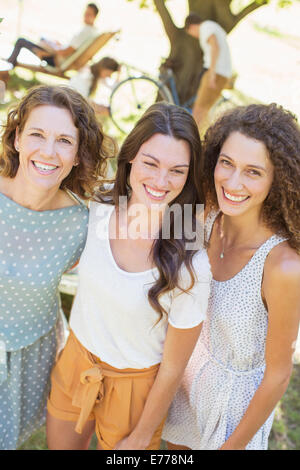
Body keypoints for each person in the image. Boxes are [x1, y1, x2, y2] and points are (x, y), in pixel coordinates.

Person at [46, 102, 212, 450]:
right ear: (131, 157)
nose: (160, 181)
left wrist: (139, 436)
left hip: (135, 389)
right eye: (151, 163)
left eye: (176, 171)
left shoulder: (191, 260)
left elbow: (173, 368)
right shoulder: (98, 210)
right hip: (76, 361)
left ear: (189, 177)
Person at [162, 103, 300, 450]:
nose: (233, 182)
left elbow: (278, 375)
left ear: (277, 179)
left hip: (232, 414)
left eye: (253, 172)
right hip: (180, 386)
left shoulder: (282, 267)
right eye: (227, 163)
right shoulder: (205, 217)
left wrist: (231, 447)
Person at [0, 84, 114, 450]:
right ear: (17, 138)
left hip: (28, 354)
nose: (48, 152)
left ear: (79, 154)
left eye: (65, 140)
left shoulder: (82, 224)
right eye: (37, 134)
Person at [6, 3, 99, 68]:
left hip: (55, 60)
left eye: (88, 14)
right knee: (43, 38)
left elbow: (65, 52)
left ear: (94, 16)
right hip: (59, 56)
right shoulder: (92, 31)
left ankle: (8, 66)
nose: (85, 16)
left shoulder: (85, 32)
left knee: (21, 41)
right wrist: (57, 45)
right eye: (85, 13)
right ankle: (10, 63)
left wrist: (50, 48)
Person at [184, 13, 232, 133]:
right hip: (220, 72)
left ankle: (193, 139)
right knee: (204, 112)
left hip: (216, 73)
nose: (194, 36)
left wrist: (211, 73)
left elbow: (215, 46)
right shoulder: (212, 26)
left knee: (199, 111)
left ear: (191, 27)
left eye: (191, 33)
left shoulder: (206, 27)